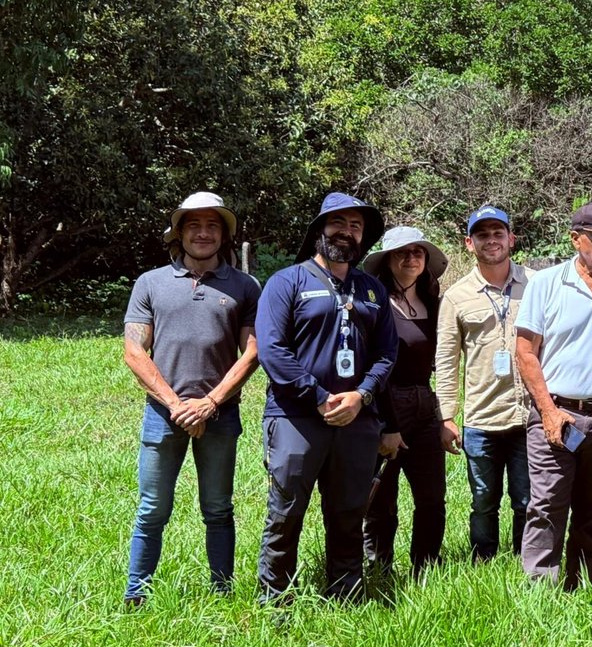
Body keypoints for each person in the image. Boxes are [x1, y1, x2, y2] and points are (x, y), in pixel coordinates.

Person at [254, 192, 396, 603]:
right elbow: (272, 350)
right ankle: (275, 600)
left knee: (349, 512)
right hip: (296, 417)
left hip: (357, 420)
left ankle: (346, 596)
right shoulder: (287, 282)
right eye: (338, 223)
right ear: (320, 229)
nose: (346, 232)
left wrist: (361, 396)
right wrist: (317, 396)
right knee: (286, 513)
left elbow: (387, 354)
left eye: (356, 226)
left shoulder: (372, 290)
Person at [121, 192, 261, 605]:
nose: (203, 233)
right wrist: (177, 405)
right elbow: (134, 350)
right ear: (178, 233)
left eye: (212, 225)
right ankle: (136, 595)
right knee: (152, 509)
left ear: (224, 234)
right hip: (162, 415)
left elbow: (252, 352)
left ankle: (222, 593)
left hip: (221, 415)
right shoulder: (150, 283)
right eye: (194, 225)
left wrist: (210, 403)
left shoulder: (245, 287)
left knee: (218, 508)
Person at [515, 202, 592, 589]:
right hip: (557, 413)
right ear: (575, 239)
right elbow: (525, 352)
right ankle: (540, 589)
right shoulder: (546, 283)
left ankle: (585, 583)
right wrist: (548, 411)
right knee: (547, 504)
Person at [436, 205, 531, 562]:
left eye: (498, 233)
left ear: (511, 239)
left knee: (527, 499)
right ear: (469, 243)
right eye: (482, 234)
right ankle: (483, 560)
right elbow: (446, 360)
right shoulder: (456, 296)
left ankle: (527, 560)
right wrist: (447, 416)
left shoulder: (536, 285)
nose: (491, 240)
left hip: (527, 415)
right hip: (481, 419)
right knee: (483, 501)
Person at [361, 226, 448, 577]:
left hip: (425, 402)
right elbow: (370, 364)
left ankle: (426, 567)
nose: (411, 258)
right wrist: (387, 424)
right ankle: (378, 566)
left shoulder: (434, 302)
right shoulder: (374, 303)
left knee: (432, 496)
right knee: (382, 496)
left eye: (418, 252)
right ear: (387, 260)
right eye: (402, 252)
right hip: (386, 402)